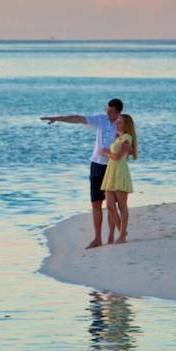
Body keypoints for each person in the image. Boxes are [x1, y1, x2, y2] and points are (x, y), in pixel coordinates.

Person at [41, 98, 123, 249]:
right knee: (95, 203)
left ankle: (113, 235)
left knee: (112, 204)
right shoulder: (101, 120)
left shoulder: (122, 124)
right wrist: (57, 119)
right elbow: (78, 118)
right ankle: (97, 238)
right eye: (107, 110)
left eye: (111, 111)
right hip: (96, 166)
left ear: (119, 112)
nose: (107, 113)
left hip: (111, 167)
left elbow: (127, 145)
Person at [99, 114, 137, 244]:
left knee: (122, 206)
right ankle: (122, 230)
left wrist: (105, 152)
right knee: (109, 205)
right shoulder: (118, 137)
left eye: (120, 122)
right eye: (117, 121)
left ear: (126, 124)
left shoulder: (127, 138)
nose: (117, 123)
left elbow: (116, 157)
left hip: (120, 172)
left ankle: (122, 236)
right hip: (111, 172)